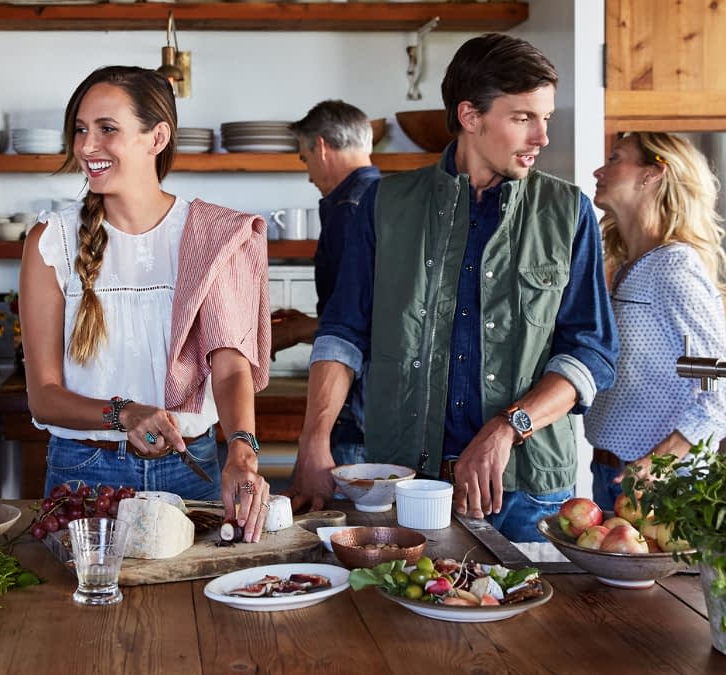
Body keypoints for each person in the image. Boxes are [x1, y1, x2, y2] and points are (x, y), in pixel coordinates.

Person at [289, 34, 619, 542]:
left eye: (545, 118)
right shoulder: (384, 205)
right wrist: (314, 442)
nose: (541, 138)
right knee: (396, 617)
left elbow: (591, 352)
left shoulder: (568, 213)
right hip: (403, 482)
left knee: (530, 622)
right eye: (523, 117)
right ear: (470, 116)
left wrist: (510, 428)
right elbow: (343, 334)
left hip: (528, 493)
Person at [19, 66, 273, 541]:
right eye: (80, 129)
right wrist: (126, 413)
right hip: (84, 471)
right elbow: (44, 396)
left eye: (106, 129)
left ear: (157, 137)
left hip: (190, 465)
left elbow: (231, 368)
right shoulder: (50, 242)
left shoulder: (212, 235)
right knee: (79, 612)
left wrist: (242, 447)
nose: (86, 146)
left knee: (191, 613)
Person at [584, 131, 726, 512]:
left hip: (660, 487)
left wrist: (661, 461)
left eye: (615, 159)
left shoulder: (673, 268)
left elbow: (717, 381)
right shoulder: (634, 265)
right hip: (615, 476)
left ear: (652, 174)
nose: (600, 169)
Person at [271, 100, 381, 467]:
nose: (308, 175)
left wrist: (298, 330)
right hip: (378, 402)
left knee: (344, 520)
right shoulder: (386, 200)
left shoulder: (351, 208)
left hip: (356, 404)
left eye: (304, 159)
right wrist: (306, 325)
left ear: (320, 146)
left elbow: (367, 320)